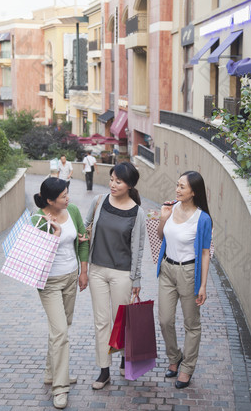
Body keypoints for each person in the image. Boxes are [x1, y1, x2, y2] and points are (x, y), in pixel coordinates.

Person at [84, 162, 147, 390]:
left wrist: (136, 280)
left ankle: (123, 357)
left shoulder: (137, 212)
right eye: (111, 179)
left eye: (118, 181)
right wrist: (82, 236)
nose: (112, 184)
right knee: (101, 322)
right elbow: (85, 225)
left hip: (123, 273)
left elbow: (139, 249)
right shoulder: (99, 201)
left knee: (121, 322)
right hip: (97, 270)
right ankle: (104, 371)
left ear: (129, 185)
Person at [32, 177, 89, 409]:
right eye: (63, 196)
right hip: (49, 283)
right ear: (49, 200)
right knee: (60, 333)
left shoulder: (72, 210)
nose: (68, 199)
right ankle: (60, 387)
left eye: (67, 194)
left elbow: (83, 240)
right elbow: (36, 258)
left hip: (70, 277)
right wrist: (54, 235)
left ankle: (51, 373)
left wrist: (83, 271)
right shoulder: (37, 219)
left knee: (61, 329)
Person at [157, 171, 212, 389]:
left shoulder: (203, 218)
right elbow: (161, 236)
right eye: (177, 185)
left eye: (182, 187)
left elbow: (206, 253)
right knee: (165, 320)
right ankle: (174, 356)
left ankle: (187, 367)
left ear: (194, 192)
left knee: (191, 324)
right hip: (167, 269)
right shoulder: (171, 208)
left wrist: (203, 285)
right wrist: (163, 216)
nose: (177, 189)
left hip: (189, 273)